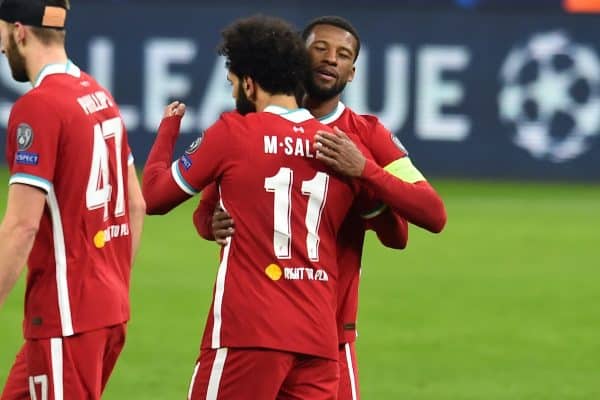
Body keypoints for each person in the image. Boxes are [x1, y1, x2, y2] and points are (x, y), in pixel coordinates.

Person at [193, 16, 447, 400]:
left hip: (328, 335)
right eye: (321, 49)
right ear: (297, 54)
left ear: (353, 72)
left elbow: (429, 215)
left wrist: (366, 172)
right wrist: (210, 223)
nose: (331, 59)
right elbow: (204, 212)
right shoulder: (249, 125)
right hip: (257, 329)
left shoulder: (366, 134)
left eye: (343, 55)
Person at [142, 15, 383, 399]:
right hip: (319, 343)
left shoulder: (233, 133)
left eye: (233, 82)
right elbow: (395, 230)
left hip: (247, 334)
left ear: (250, 84)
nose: (232, 89)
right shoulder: (339, 148)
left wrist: (168, 130)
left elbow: (153, 198)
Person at [0, 1, 145, 399]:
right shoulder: (98, 94)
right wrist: (109, 285)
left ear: (19, 31)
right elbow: (136, 205)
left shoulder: (38, 106)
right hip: (104, 310)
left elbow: (21, 225)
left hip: (67, 317)